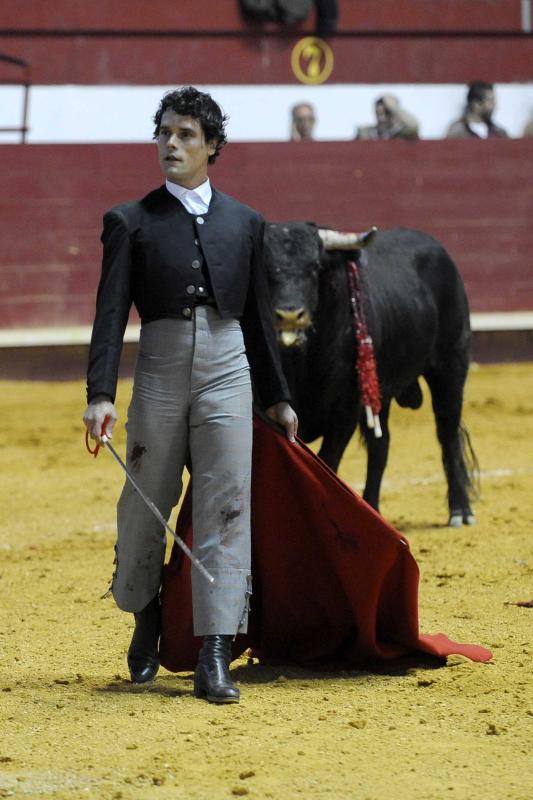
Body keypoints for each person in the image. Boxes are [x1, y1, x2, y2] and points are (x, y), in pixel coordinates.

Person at [82, 86, 298, 704]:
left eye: (185, 136)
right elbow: (110, 313)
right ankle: (147, 611)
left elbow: (257, 318)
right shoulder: (131, 219)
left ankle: (214, 654)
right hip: (159, 364)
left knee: (228, 503)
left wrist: (279, 397)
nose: (170, 145)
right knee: (147, 497)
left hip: (230, 367)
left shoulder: (245, 223)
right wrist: (100, 393)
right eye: (164, 133)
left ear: (212, 147)